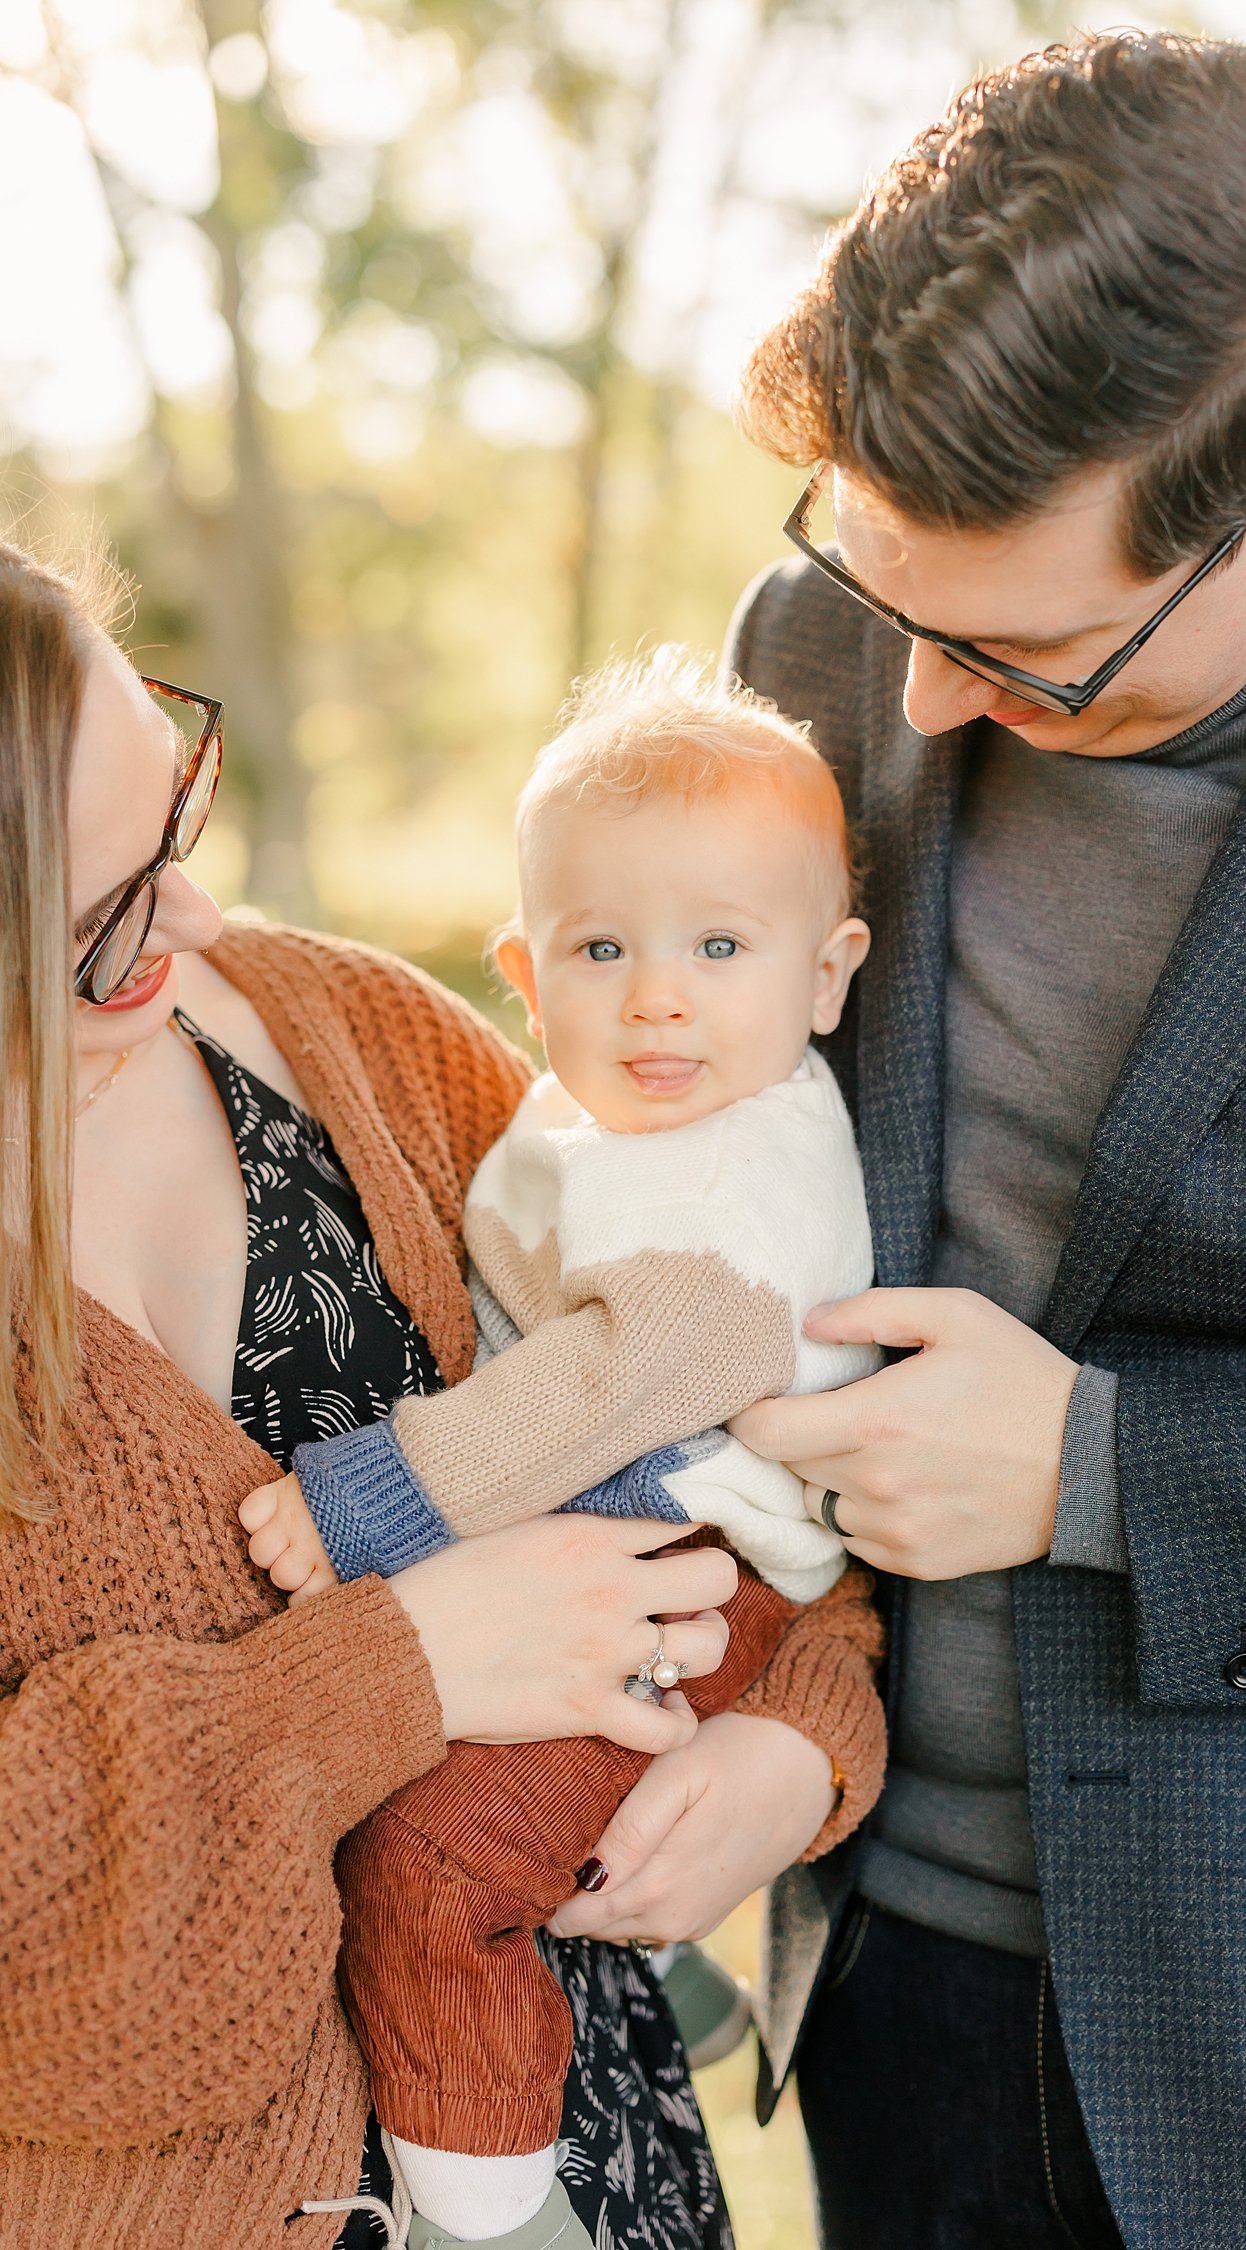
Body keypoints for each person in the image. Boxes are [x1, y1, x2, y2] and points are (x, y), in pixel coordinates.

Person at [554, 29, 1246, 2250]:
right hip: (891, 1982)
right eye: (889, 601)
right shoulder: (819, 639)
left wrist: (1105, 1472)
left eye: (1033, 657)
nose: (918, 704)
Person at [0, 539, 844, 2250]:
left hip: (600, 2157)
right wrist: (394, 1670)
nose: (202, 918)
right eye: (99, 920)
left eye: (179, 811)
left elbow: (734, 1420)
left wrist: (795, 1743)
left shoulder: (351, 1036)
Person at [233, 650, 888, 2250]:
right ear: (527, 976)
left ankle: (489, 2207)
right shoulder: (619, 1114)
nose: (658, 994)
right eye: (604, 948)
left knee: (433, 1862)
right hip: (641, 1551)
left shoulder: (736, 1179)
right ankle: (668, 1968)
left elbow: (611, 1376)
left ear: (825, 971)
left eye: (719, 946)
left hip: (695, 1571)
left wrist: (370, 1496)